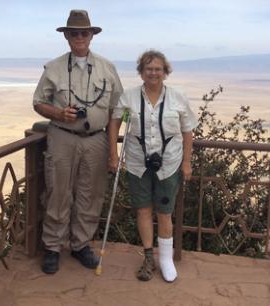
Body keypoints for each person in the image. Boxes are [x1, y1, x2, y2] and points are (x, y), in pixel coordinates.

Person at [33, 10, 123, 274]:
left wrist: (112, 149)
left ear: (92, 36)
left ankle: (81, 244)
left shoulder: (108, 68)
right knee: (58, 191)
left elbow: (117, 109)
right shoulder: (53, 68)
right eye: (75, 33)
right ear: (67, 37)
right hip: (62, 137)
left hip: (97, 139)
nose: (80, 37)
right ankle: (52, 246)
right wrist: (59, 114)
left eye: (85, 32)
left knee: (91, 193)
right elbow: (38, 102)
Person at [108, 50, 197, 282]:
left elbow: (188, 131)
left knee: (165, 213)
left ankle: (165, 260)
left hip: (169, 164)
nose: (153, 73)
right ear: (141, 72)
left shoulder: (178, 98)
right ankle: (148, 257)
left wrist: (187, 162)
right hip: (138, 164)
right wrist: (113, 155)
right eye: (149, 69)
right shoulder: (128, 98)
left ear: (165, 72)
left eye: (158, 69)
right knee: (143, 210)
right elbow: (115, 123)